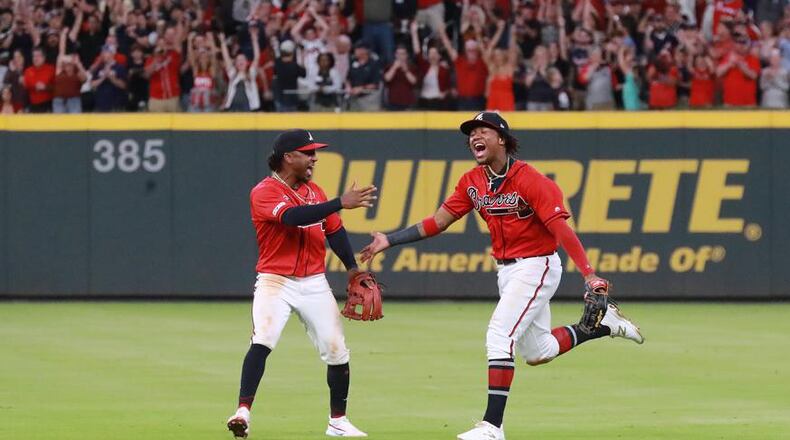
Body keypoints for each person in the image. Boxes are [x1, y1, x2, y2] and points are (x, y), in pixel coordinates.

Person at [360, 112, 644, 440]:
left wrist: (590, 274)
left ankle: (492, 426)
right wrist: (389, 240)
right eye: (471, 133)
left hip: (537, 265)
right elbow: (438, 221)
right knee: (538, 351)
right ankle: (603, 325)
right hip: (507, 271)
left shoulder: (531, 180)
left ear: (502, 139)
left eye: (483, 131)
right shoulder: (472, 181)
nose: (474, 137)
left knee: (498, 334)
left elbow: (561, 229)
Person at [226, 129, 377, 439]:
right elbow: (294, 218)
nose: (314, 158)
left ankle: (338, 421)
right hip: (275, 281)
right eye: (308, 153)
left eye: (314, 152)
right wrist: (339, 202)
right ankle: (243, 411)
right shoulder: (264, 191)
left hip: (314, 282)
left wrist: (351, 268)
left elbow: (334, 232)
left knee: (337, 350)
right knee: (264, 338)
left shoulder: (316, 192)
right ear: (288, 157)